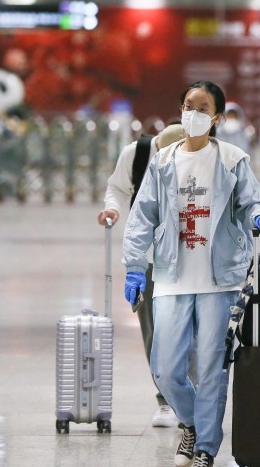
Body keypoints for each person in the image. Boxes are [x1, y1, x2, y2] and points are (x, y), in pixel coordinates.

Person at [122, 80, 260, 467]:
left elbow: (252, 202)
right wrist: (134, 267)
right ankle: (193, 423)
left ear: (217, 118)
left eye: (201, 107)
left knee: (213, 367)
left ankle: (204, 448)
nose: (192, 113)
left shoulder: (232, 159)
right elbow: (141, 217)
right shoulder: (162, 162)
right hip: (171, 276)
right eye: (187, 105)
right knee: (165, 368)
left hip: (220, 280)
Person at [97, 122, 185, 427]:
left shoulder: (203, 156)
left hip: (190, 258)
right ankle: (165, 400)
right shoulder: (136, 154)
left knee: (191, 328)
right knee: (154, 329)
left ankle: (191, 397)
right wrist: (113, 209)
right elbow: (117, 188)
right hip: (146, 258)